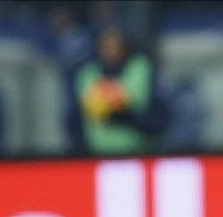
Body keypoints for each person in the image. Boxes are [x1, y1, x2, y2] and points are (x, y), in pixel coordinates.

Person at [71, 25, 166, 155]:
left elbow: (154, 116)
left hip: (136, 150)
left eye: (117, 47)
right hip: (97, 152)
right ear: (99, 49)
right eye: (107, 47)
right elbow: (80, 112)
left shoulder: (140, 68)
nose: (112, 52)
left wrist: (121, 109)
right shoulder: (88, 73)